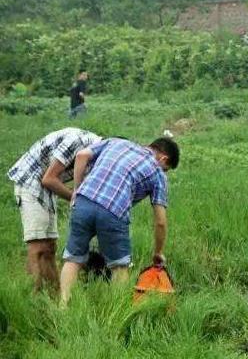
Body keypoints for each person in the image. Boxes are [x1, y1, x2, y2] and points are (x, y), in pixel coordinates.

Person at [59, 137, 180, 304]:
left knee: (73, 258)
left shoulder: (116, 142)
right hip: (113, 210)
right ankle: (116, 314)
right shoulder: (158, 173)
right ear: (163, 158)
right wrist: (158, 252)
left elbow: (81, 155)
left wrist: (76, 190)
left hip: (83, 201)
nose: (164, 171)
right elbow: (160, 221)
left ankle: (63, 308)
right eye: (166, 169)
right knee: (119, 267)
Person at [7, 128, 101, 292]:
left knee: (50, 247)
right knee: (37, 247)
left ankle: (53, 296)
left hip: (47, 188)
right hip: (31, 181)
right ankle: (33, 298)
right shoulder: (77, 141)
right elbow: (48, 179)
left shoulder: (94, 155)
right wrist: (75, 199)